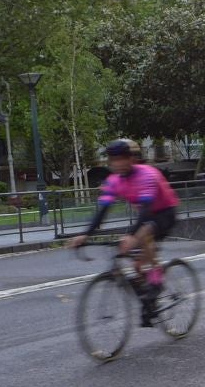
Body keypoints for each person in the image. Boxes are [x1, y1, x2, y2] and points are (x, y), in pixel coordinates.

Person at [68, 139, 180, 326]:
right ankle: (149, 302)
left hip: (165, 212)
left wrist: (130, 236)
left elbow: (145, 211)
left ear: (131, 159)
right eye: (114, 159)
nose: (118, 164)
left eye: (122, 159)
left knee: (142, 234)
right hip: (146, 216)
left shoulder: (147, 175)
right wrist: (85, 235)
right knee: (136, 266)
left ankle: (157, 278)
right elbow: (102, 211)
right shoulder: (114, 181)